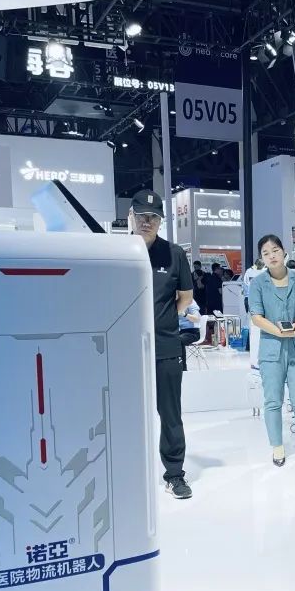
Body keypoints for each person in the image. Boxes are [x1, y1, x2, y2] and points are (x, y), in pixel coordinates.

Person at [130, 190, 194, 500]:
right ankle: (127, 472)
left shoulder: (174, 253)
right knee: (126, 412)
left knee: (170, 414)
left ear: (160, 221)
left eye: (153, 217)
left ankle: (174, 474)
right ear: (131, 216)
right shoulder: (118, 251)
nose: (147, 221)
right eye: (142, 215)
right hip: (125, 349)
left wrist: (163, 320)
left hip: (166, 347)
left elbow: (185, 297)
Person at [249, 235, 295, 467]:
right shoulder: (258, 283)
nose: (272, 256)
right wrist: (278, 332)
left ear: (284, 252)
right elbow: (256, 316)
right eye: (266, 253)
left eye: (275, 250)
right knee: (272, 400)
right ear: (261, 258)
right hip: (271, 350)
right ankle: (277, 446)